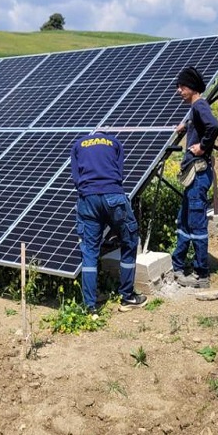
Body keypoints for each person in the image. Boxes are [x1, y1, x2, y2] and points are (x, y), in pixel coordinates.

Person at [70, 129, 148, 313]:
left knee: (89, 251)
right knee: (129, 240)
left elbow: (76, 177)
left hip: (87, 199)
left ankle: (90, 306)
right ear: (103, 135)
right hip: (113, 196)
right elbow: (119, 174)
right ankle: (127, 296)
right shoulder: (114, 142)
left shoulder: (78, 144)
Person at [170, 67, 218, 288]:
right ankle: (178, 264)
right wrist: (184, 126)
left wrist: (203, 146)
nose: (178, 90)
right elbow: (198, 124)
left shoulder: (199, 105)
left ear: (191, 87)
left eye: (181, 87)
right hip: (193, 176)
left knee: (197, 223)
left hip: (199, 174)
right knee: (185, 219)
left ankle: (202, 274)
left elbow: (214, 125)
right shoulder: (194, 109)